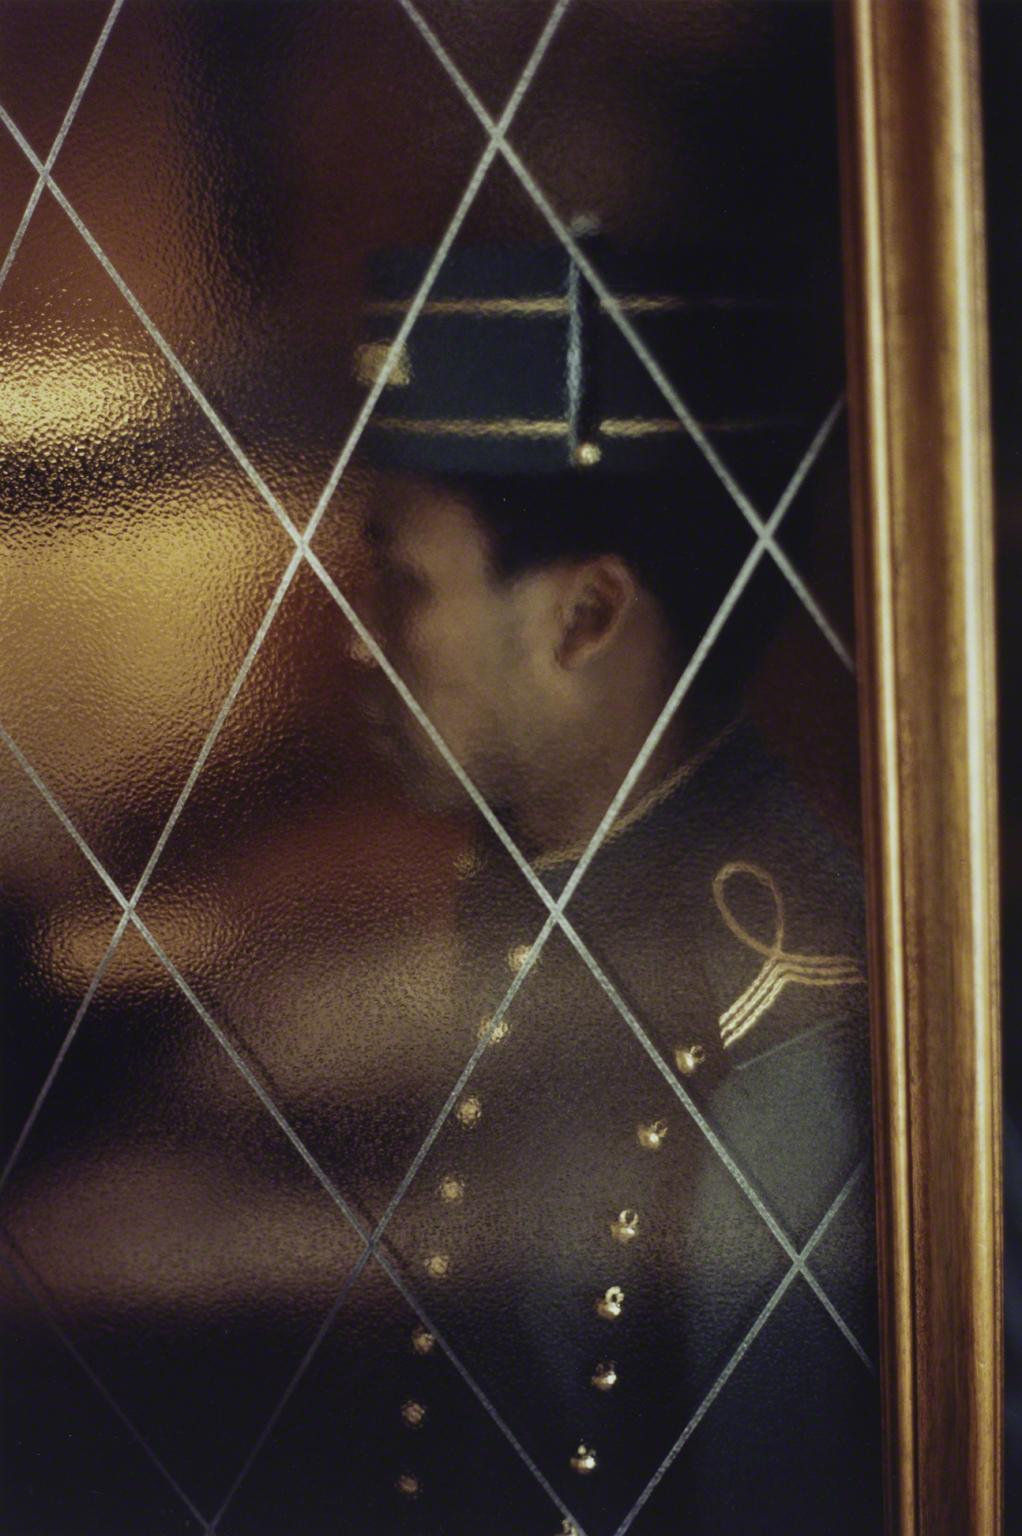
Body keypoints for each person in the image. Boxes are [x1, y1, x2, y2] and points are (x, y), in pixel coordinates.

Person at [332, 237, 884, 1535]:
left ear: (585, 618)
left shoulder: (774, 1020)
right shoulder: (532, 882)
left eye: (400, 581)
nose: (356, 639)